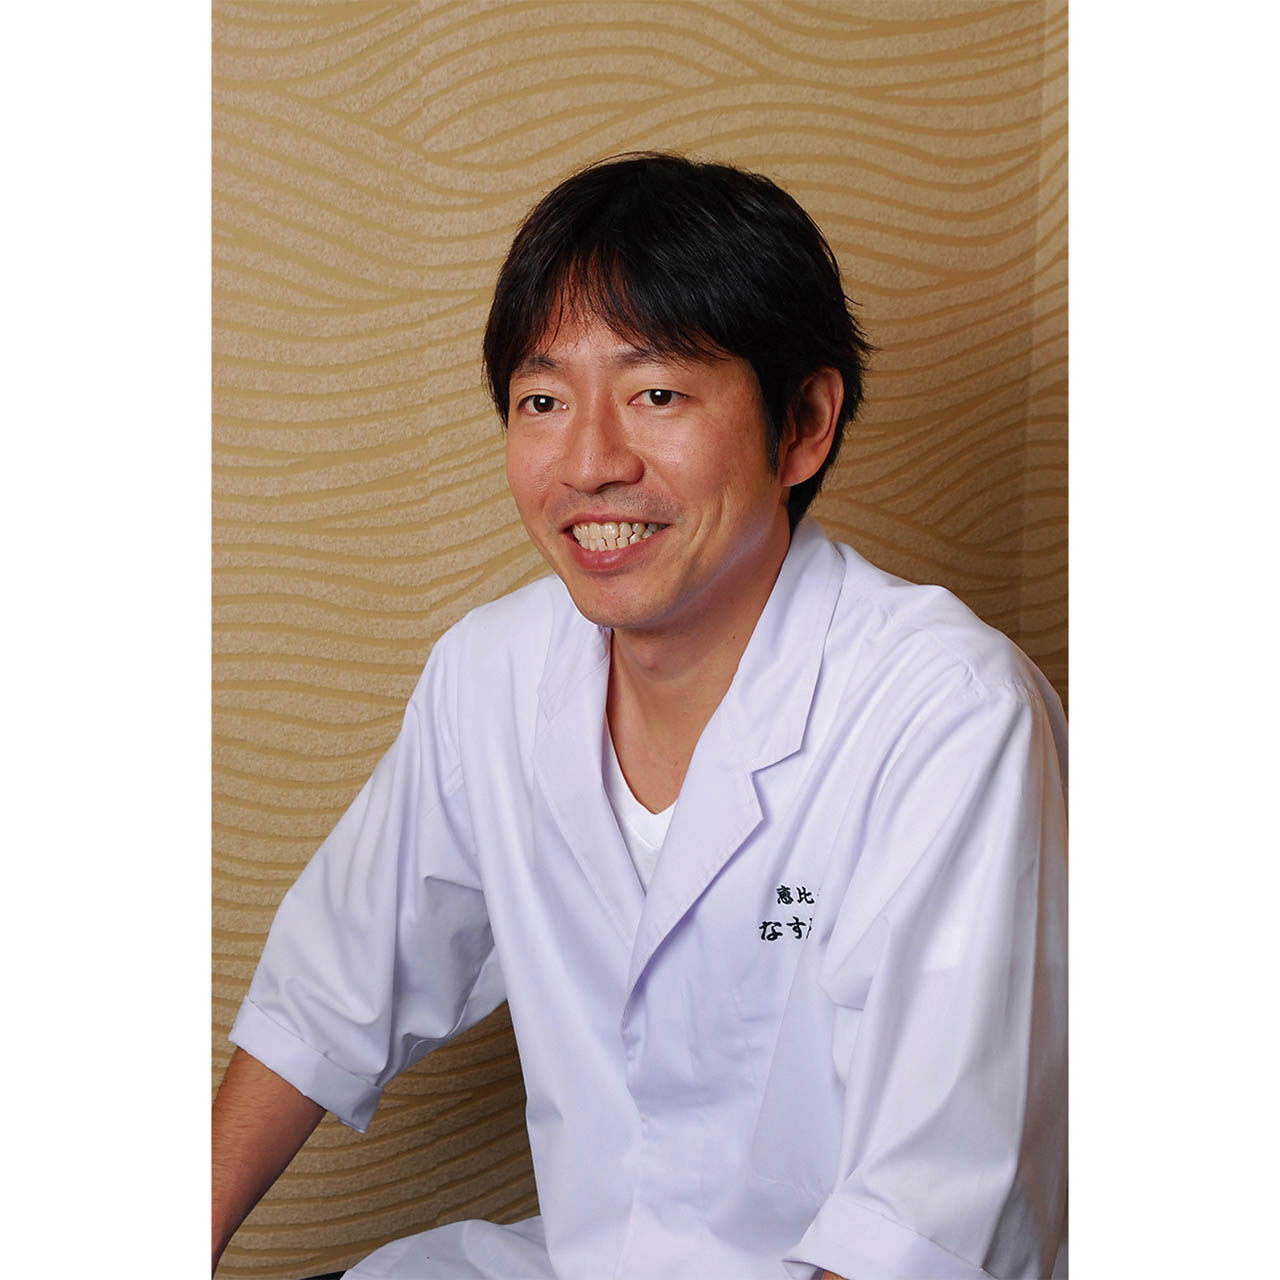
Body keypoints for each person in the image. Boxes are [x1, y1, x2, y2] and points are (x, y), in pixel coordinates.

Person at [212, 153, 1067, 1280]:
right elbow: (324, 993)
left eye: (655, 393)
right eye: (543, 401)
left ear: (803, 424)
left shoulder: (948, 716)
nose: (588, 463)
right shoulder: (490, 673)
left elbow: (928, 1216)